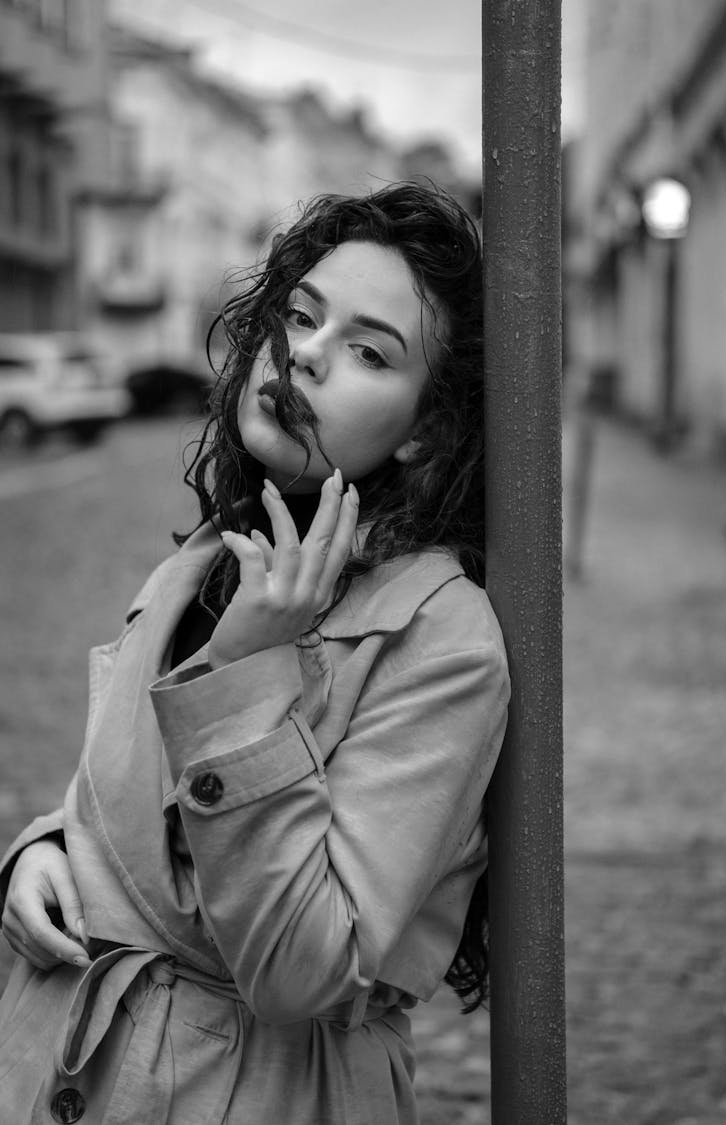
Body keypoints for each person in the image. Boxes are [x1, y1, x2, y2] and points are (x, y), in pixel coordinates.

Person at [0, 182, 509, 1124]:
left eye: (367, 350)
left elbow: (304, 966)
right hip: (59, 1061)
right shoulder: (207, 561)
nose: (305, 353)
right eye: (301, 315)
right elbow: (132, 817)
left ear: (428, 429)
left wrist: (245, 676)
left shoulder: (440, 636)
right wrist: (42, 850)